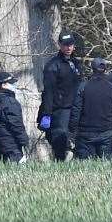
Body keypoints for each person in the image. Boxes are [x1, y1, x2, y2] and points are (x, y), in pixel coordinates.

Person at [72, 58, 112, 160]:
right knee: (106, 166)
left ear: (92, 68)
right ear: (105, 69)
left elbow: (76, 110)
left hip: (85, 133)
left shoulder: (83, 87)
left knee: (85, 167)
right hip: (107, 132)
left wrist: (72, 130)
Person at [38, 32, 83, 162]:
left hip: (76, 107)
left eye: (70, 45)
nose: (68, 48)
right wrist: (47, 113)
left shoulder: (76, 63)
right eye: (65, 45)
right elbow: (49, 92)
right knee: (60, 138)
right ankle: (60, 161)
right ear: (60, 45)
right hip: (60, 109)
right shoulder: (53, 66)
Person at [0, 72, 30, 163]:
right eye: (11, 83)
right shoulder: (10, 102)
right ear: (3, 85)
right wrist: (24, 140)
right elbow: (15, 123)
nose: (14, 85)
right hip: (11, 142)